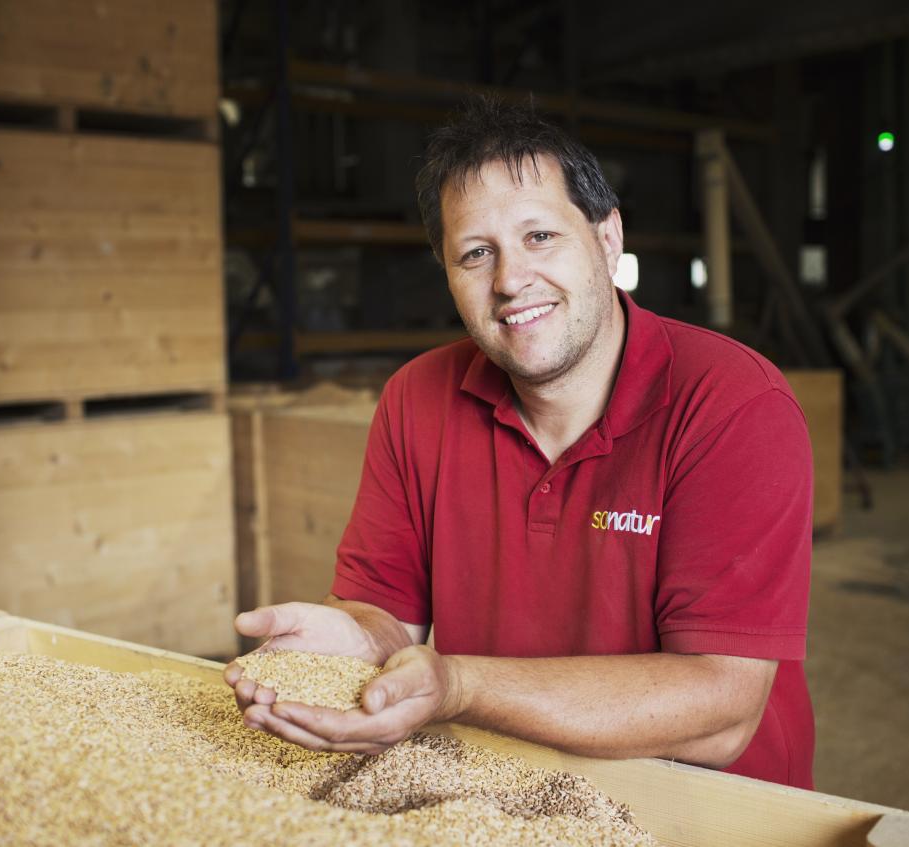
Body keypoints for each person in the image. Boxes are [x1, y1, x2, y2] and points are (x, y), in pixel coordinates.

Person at [225, 97, 815, 788]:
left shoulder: (732, 405)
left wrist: (460, 686)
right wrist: (349, 645)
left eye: (540, 237)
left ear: (607, 236)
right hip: (502, 794)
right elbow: (384, 613)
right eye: (476, 254)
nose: (509, 281)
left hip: (711, 813)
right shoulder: (418, 401)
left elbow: (721, 710)